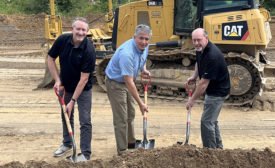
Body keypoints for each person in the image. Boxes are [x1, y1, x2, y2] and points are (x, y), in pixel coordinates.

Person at [47, 17, 96, 161]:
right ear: (72, 29)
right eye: (78, 29)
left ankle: (85, 153)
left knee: (85, 120)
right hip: (65, 86)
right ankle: (67, 144)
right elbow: (50, 58)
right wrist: (57, 80)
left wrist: (73, 100)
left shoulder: (89, 50)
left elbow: (84, 79)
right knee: (66, 115)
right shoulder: (62, 40)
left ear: (87, 32)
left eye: (83, 30)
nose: (81, 32)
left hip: (83, 89)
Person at [105, 24, 152, 155]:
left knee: (131, 114)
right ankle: (123, 151)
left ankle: (131, 143)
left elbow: (143, 59)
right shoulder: (127, 53)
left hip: (127, 81)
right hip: (115, 83)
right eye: (141, 38)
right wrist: (141, 103)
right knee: (121, 118)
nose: (144, 42)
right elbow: (129, 81)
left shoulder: (145, 47)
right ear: (134, 37)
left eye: (146, 39)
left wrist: (143, 70)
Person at [186, 28, 230, 149]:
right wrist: (194, 76)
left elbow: (203, 84)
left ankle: (210, 152)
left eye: (198, 40)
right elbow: (198, 62)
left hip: (218, 92)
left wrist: (192, 100)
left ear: (206, 38)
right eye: (194, 40)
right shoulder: (200, 49)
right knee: (212, 120)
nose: (196, 43)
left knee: (206, 122)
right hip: (214, 89)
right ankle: (218, 149)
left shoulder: (212, 55)